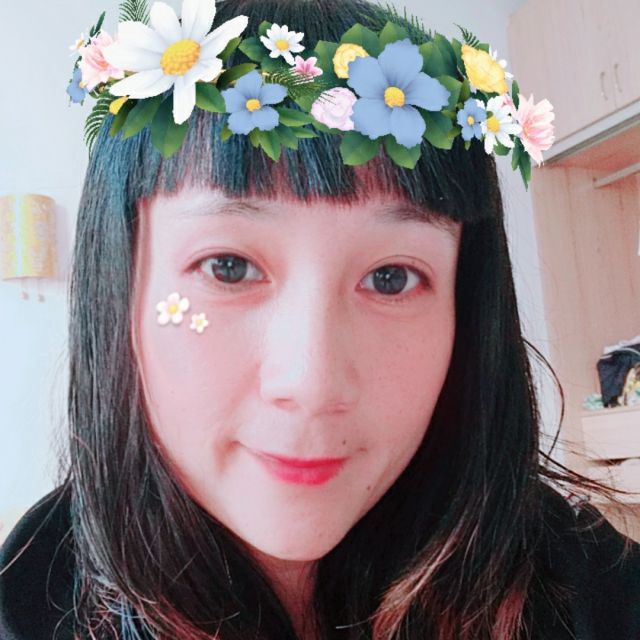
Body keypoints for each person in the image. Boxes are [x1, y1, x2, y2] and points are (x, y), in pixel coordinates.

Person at [1, 0, 639, 638]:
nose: (312, 383)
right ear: (119, 291)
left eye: (391, 278)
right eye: (228, 267)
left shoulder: (593, 590)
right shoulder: (24, 608)